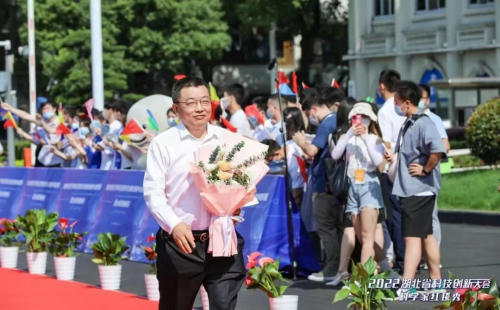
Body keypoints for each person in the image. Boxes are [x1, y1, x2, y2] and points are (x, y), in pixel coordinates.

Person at [143, 76, 245, 310]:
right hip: (181, 244)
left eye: (204, 101)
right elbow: (152, 192)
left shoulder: (228, 140)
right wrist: (174, 224)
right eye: (191, 103)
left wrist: (238, 203)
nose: (199, 108)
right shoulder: (164, 143)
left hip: (222, 241)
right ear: (176, 108)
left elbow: (241, 183)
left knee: (223, 305)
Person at [386, 80, 445, 290]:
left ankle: (408, 284)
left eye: (397, 101)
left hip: (418, 191)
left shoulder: (423, 123)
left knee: (411, 239)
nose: (395, 105)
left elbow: (437, 151)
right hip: (413, 190)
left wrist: (425, 169)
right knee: (427, 236)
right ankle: (436, 282)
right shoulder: (410, 123)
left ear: (407, 102)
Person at [293, 86, 344, 282]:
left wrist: (301, 142)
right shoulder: (336, 120)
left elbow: (313, 151)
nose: (310, 118)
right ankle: (341, 266)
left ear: (313, 109)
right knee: (337, 227)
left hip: (324, 183)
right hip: (334, 184)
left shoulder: (327, 123)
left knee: (326, 227)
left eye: (308, 114)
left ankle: (332, 266)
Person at [376, 69, 406, 272]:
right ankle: (413, 257)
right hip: (409, 164)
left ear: (382, 87)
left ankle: (402, 260)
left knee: (395, 215)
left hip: (392, 167)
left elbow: (386, 143)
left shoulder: (385, 110)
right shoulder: (405, 106)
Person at [419, 83, 447, 270]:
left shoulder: (433, 119)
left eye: (424, 98)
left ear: (428, 99)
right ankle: (422, 255)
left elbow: (445, 146)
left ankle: (433, 257)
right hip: (413, 178)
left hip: (429, 174)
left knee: (431, 216)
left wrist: (427, 164)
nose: (421, 101)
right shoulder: (410, 119)